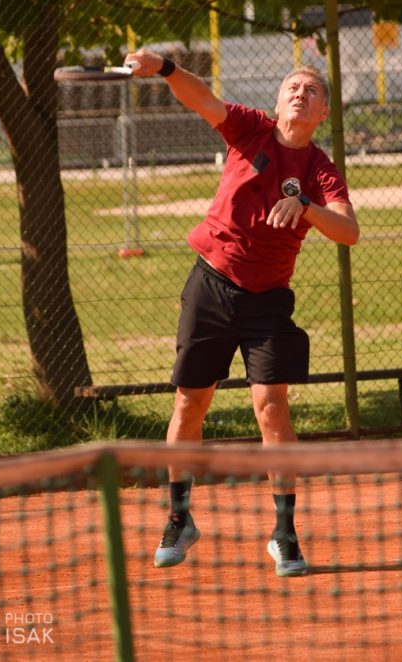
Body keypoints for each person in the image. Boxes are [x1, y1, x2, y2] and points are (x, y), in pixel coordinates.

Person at [125, 47, 359, 577]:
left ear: (324, 112)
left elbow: (349, 231)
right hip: (210, 284)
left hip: (268, 300)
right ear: (277, 103)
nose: (300, 94)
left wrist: (307, 207)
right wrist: (165, 68)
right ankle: (179, 518)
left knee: (271, 407)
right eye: (292, 87)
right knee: (190, 403)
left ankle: (284, 533)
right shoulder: (251, 130)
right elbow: (202, 99)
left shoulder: (320, 170)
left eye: (312, 91)